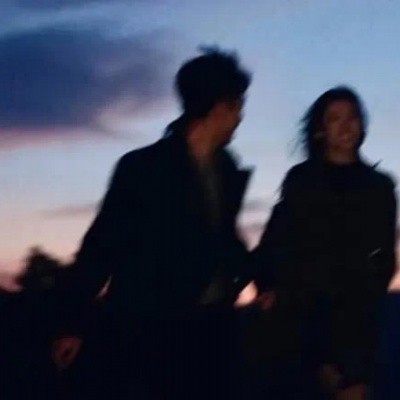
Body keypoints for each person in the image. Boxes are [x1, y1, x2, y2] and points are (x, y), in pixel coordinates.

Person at [51, 46, 253, 400]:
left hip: (214, 331)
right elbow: (101, 247)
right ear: (221, 107)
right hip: (155, 334)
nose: (240, 117)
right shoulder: (143, 169)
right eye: (238, 106)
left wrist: (260, 277)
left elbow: (222, 239)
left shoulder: (227, 169)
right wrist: (71, 323)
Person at [252, 86, 397, 400]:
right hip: (300, 319)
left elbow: (383, 256)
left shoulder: (380, 187)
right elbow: (275, 240)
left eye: (352, 117)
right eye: (335, 118)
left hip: (354, 320)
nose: (346, 126)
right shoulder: (302, 180)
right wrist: (266, 284)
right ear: (320, 130)